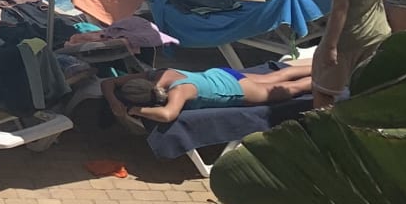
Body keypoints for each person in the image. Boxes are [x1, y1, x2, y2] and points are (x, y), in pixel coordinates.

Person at [109, 63, 312, 124]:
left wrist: (135, 110)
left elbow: (168, 114)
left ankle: (323, 80)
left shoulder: (179, 91)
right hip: (221, 74)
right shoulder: (160, 73)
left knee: (293, 89)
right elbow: (109, 83)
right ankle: (321, 64)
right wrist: (114, 102)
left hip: (237, 90)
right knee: (277, 76)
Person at [312, 0, 387, 109]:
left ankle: (326, 125)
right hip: (377, 29)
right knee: (365, 92)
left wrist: (330, 46)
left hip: (350, 34)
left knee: (324, 93)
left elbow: (341, 6)